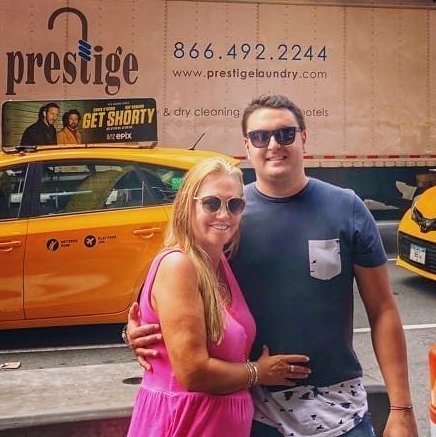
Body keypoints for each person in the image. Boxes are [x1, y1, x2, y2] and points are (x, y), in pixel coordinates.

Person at [129, 94, 418, 437]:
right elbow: (179, 293)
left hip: (342, 413)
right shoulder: (229, 219)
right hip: (256, 415)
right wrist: (141, 335)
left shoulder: (347, 208)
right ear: (247, 146)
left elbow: (383, 309)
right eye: (260, 136)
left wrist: (401, 407)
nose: (273, 145)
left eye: (285, 134)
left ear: (304, 138)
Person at [126, 157, 310, 437]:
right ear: (188, 205)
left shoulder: (220, 261)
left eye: (234, 204)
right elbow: (193, 373)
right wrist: (259, 372)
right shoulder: (179, 265)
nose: (224, 215)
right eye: (212, 203)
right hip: (185, 424)